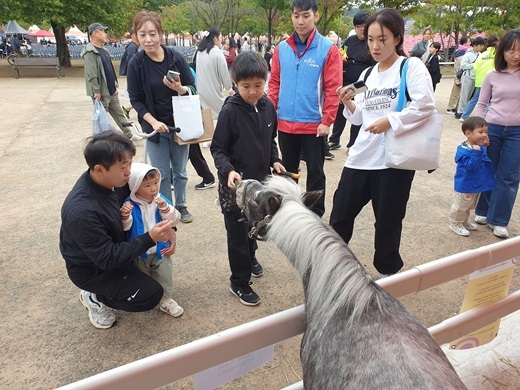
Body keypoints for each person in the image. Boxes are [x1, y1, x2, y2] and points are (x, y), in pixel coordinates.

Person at [330, 8, 436, 277]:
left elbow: (425, 106)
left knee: (388, 222)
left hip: (394, 160)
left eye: (383, 39)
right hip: (362, 156)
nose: (375, 46)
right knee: (340, 216)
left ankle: (388, 273)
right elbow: (360, 119)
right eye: (370, 39)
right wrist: (349, 103)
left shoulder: (410, 67)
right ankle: (333, 269)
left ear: (398, 38)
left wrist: (390, 121)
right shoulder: (367, 75)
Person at [59, 131, 176, 329]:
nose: (129, 172)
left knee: (156, 265)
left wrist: (170, 228)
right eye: (123, 167)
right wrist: (150, 238)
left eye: (130, 163)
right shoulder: (82, 211)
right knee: (150, 295)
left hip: (120, 246)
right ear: (99, 169)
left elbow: (153, 201)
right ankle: (95, 297)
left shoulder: (119, 180)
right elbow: (107, 258)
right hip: (95, 268)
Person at [211, 51, 285, 306]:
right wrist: (227, 170)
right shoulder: (230, 111)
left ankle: (251, 258)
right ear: (235, 83)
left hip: (260, 183)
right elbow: (218, 149)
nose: (253, 92)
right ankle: (239, 282)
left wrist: (274, 160)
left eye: (258, 85)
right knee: (237, 235)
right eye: (246, 86)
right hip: (236, 186)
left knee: (256, 226)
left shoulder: (268, 107)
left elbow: (270, 140)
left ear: (265, 81)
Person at [267, 0, 342, 217]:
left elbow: (332, 88)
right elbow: (274, 84)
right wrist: (271, 113)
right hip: (285, 124)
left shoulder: (328, 49)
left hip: (314, 125)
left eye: (306, 15)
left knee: (316, 173)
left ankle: (315, 215)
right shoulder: (281, 49)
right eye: (296, 15)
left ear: (316, 16)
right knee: (287, 172)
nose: (300, 21)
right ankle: (289, 213)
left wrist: (327, 120)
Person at [127, 11, 195, 223]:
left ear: (161, 34)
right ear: (136, 36)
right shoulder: (135, 64)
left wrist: (180, 88)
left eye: (153, 34)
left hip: (181, 125)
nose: (148, 39)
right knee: (161, 174)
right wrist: (153, 122)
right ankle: (166, 207)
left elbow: (194, 87)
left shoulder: (176, 58)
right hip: (155, 128)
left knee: (181, 171)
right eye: (143, 34)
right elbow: (136, 100)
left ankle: (181, 205)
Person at [121, 163, 184, 317]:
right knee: (143, 276)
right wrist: (125, 216)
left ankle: (166, 300)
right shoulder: (129, 204)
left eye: (156, 183)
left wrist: (166, 209)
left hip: (160, 248)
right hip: (140, 251)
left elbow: (175, 220)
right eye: (147, 185)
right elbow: (125, 228)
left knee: (164, 274)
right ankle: (149, 296)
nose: (153, 189)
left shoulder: (160, 199)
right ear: (135, 186)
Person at [474, 29, 520, 238]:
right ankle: (483, 210)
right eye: (511, 50)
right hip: (493, 128)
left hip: (517, 132)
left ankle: (499, 219)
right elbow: (481, 104)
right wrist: (479, 131)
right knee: (488, 170)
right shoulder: (492, 74)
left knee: (509, 176)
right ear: (502, 51)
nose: (515, 55)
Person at [328, 10, 375, 151]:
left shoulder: (372, 43)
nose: (361, 29)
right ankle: (334, 140)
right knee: (340, 112)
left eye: (364, 25)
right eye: (358, 26)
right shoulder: (350, 41)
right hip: (345, 82)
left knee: (357, 113)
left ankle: (353, 143)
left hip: (362, 86)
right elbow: (340, 56)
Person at [81, 23, 134, 140]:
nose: (105, 34)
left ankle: (129, 135)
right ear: (95, 33)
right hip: (101, 91)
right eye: (103, 31)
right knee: (101, 117)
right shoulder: (90, 52)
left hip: (111, 89)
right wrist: (96, 90)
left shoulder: (104, 50)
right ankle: (100, 139)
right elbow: (92, 73)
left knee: (119, 114)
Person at [449, 117, 494, 236]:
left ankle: (464, 222)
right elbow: (470, 167)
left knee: (469, 205)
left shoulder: (477, 147)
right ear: (468, 134)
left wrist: (483, 147)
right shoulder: (463, 150)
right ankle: (455, 223)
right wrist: (477, 152)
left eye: (486, 132)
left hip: (474, 183)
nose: (484, 135)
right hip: (465, 184)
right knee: (461, 206)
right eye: (480, 132)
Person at [195, 27, 233, 120]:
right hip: (214, 93)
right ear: (215, 38)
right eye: (220, 37)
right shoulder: (217, 53)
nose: (221, 40)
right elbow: (224, 74)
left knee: (206, 118)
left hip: (201, 92)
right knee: (218, 118)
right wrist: (229, 87)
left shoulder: (199, 52)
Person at [460, 35, 499, 121]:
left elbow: (475, 67)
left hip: (479, 80)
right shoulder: (497, 54)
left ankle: (464, 116)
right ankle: (487, 118)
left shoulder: (482, 55)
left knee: (474, 99)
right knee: (490, 100)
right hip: (492, 81)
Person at [455, 36, 486, 119]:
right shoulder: (468, 54)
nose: (481, 47)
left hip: (475, 77)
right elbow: (463, 65)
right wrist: (474, 65)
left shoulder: (480, 55)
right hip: (467, 76)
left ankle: (465, 112)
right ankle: (460, 112)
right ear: (475, 45)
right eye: (480, 45)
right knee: (464, 95)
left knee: (470, 96)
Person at [447, 36, 471, 114]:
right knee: (456, 92)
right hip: (459, 75)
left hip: (462, 74)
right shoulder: (460, 52)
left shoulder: (466, 52)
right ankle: (451, 107)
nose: (470, 43)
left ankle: (456, 107)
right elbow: (462, 64)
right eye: (468, 41)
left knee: (460, 92)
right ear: (464, 42)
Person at [119, 28, 140, 118]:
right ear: (133, 35)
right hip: (134, 75)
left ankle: (127, 108)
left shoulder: (134, 46)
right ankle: (126, 108)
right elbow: (131, 62)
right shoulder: (132, 47)